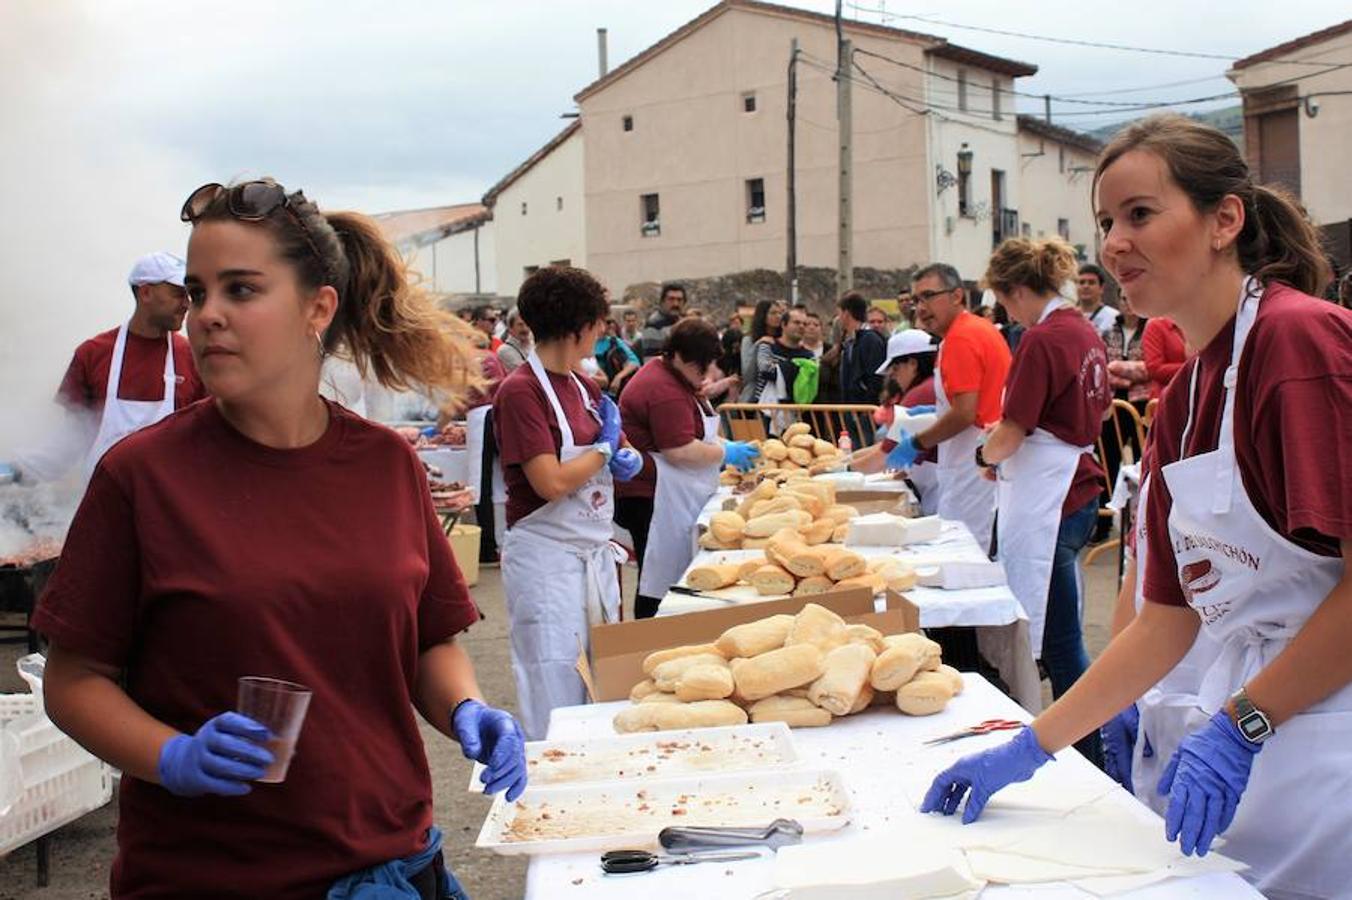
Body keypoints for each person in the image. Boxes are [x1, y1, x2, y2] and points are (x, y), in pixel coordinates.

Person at [33, 179, 524, 899]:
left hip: (393, 863)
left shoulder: (386, 465)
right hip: (213, 880)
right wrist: (172, 756)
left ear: (317, 308)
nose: (208, 318)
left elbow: (429, 639)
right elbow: (73, 682)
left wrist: (465, 709)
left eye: (241, 290)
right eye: (199, 294)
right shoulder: (141, 478)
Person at [920, 114, 1352, 899]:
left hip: (1329, 739)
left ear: (1225, 220)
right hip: (1263, 732)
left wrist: (1245, 722)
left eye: (1140, 215)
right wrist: (1038, 743)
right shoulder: (1187, 392)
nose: (1114, 243)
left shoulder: (1299, 344)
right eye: (1106, 223)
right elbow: (1166, 618)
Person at [492, 266, 643, 740]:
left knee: (601, 682)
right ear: (578, 326)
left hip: (592, 552)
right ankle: (548, 782)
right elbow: (550, 481)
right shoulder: (521, 392)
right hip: (547, 559)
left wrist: (621, 456)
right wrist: (600, 450)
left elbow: (601, 449)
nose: (604, 331)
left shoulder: (585, 387)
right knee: (555, 679)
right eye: (599, 322)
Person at [977, 237, 1112, 765]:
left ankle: (1089, 753)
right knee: (1064, 629)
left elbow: (1013, 429)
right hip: (1077, 484)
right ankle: (1086, 745)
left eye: (1004, 301)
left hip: (1056, 495)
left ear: (1016, 290)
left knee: (1059, 638)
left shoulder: (1042, 339)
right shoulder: (1082, 329)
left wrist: (984, 456)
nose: (1006, 312)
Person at [4, 252, 206, 484]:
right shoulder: (92, 354)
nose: (187, 304)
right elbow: (73, 437)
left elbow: (205, 440)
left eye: (189, 295)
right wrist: (18, 470)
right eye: (178, 293)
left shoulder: (194, 358)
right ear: (146, 292)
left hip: (165, 504)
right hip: (103, 503)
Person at [615, 319, 759, 618]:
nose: (704, 374)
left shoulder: (676, 377)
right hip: (649, 495)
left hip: (667, 490)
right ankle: (649, 632)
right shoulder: (662, 388)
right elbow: (679, 450)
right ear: (679, 356)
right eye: (700, 367)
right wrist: (725, 452)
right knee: (656, 576)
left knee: (661, 573)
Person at [890, 265, 1011, 553]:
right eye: (917, 300)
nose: (921, 308)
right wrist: (931, 417)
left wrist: (917, 442)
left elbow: (965, 412)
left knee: (964, 553)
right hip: (976, 457)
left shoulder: (962, 338)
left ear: (957, 295)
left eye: (929, 296)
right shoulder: (969, 332)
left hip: (972, 462)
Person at [849, 329, 941, 514]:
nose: (893, 376)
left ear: (912, 364)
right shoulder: (931, 385)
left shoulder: (920, 394)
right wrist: (850, 458)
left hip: (939, 487)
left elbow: (886, 454)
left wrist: (845, 470)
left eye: (895, 369)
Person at [837, 291, 888, 433]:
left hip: (866, 414)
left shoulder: (870, 340)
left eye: (840, 313)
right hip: (852, 412)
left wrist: (868, 406)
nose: (839, 318)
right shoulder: (850, 342)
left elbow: (876, 376)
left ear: (846, 313)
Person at [738, 298, 784, 401]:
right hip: (755, 397)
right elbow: (747, 374)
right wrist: (758, 344)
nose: (778, 317)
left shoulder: (783, 339)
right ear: (763, 316)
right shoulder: (749, 340)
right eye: (773, 313)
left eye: (780, 313)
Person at [1142, 314, 1187, 398]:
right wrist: (1192, 368)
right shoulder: (1156, 325)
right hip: (1168, 396)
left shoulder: (1196, 323)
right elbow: (1154, 369)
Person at [638, 282, 686, 358]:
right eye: (671, 299)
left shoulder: (684, 323)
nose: (675, 304)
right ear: (662, 301)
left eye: (679, 300)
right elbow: (652, 360)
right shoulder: (654, 324)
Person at [594, 319, 640, 396]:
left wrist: (618, 377)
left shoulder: (615, 342)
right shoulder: (585, 343)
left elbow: (634, 363)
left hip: (611, 390)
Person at [1078, 264, 1120, 334]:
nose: (1086, 286)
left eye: (1091, 283)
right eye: (1082, 282)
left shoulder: (1114, 317)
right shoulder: (1067, 316)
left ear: (1101, 288)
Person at [496, 306, 532, 373]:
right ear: (510, 328)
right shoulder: (505, 350)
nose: (525, 329)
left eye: (527, 324)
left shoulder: (532, 345)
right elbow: (526, 372)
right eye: (520, 325)